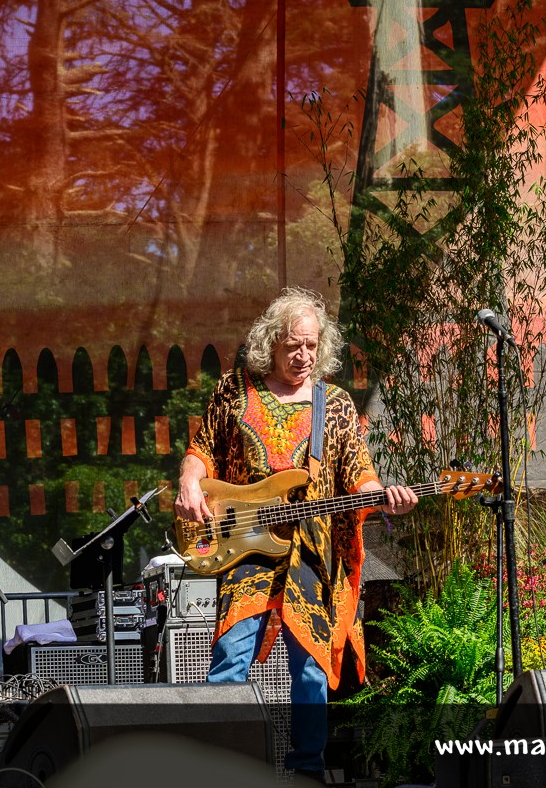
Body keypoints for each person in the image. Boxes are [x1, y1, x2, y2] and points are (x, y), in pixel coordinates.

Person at [174, 287, 418, 783]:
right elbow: (202, 449)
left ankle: (307, 770)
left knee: (309, 666)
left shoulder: (336, 404)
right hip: (245, 546)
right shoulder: (234, 390)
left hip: (310, 551)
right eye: (293, 346)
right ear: (271, 344)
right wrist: (188, 482)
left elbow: (359, 474)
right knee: (231, 656)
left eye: (311, 345)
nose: (304, 355)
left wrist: (383, 496)